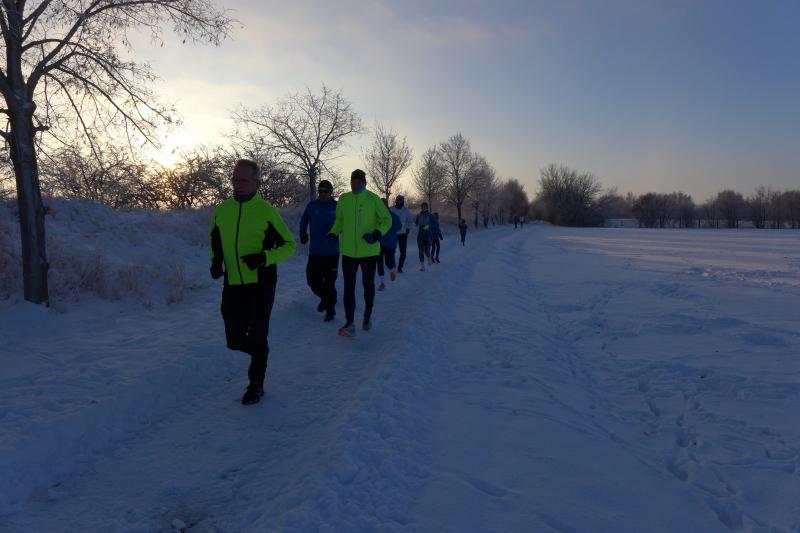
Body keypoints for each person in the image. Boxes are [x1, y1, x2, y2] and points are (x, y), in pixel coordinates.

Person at [209, 159, 296, 405]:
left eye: (244, 180)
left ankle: (255, 384)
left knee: (257, 335)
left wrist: (264, 258)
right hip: (233, 283)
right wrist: (216, 261)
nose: (237, 184)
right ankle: (260, 350)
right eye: (234, 179)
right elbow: (215, 239)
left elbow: (289, 245)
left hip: (261, 284)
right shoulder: (222, 210)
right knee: (234, 340)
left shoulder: (266, 211)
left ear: (257, 184)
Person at [328, 169, 392, 337]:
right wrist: (333, 233)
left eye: (358, 182)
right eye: (353, 182)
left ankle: (367, 314)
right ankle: (350, 323)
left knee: (368, 284)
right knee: (348, 288)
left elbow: (387, 220)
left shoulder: (373, 199)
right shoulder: (344, 199)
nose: (355, 185)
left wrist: (377, 234)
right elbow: (339, 220)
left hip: (369, 251)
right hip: (349, 252)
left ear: (364, 183)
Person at [299, 180, 339, 322]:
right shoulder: (312, 206)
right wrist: (302, 233)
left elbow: (344, 224)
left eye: (325, 191)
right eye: (320, 191)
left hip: (332, 253)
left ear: (331, 192)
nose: (322, 194)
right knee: (312, 282)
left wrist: (335, 230)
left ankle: (330, 310)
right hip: (315, 252)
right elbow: (304, 221)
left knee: (329, 283)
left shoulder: (337, 207)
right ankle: (326, 299)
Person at [377, 198, 402, 290]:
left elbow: (399, 226)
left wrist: (389, 229)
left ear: (386, 205)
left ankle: (392, 270)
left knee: (388, 261)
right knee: (379, 262)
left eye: (383, 204)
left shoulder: (392, 215)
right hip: (379, 242)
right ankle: (382, 283)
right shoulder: (377, 215)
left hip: (390, 242)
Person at [390, 195, 414, 273]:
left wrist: (408, 229)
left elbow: (410, 221)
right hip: (393, 233)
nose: (399, 203)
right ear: (396, 202)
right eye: (397, 202)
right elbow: (387, 220)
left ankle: (400, 266)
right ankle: (392, 264)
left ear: (403, 202)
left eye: (400, 202)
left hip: (403, 233)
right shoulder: (391, 209)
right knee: (391, 251)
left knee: (403, 252)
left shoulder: (406, 210)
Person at [415, 202, 433, 271]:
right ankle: (422, 266)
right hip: (420, 235)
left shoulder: (430, 215)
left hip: (428, 235)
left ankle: (429, 257)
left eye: (424, 207)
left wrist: (427, 226)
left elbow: (433, 223)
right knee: (420, 251)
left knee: (427, 251)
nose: (423, 208)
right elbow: (416, 223)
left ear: (427, 207)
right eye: (422, 207)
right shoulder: (418, 215)